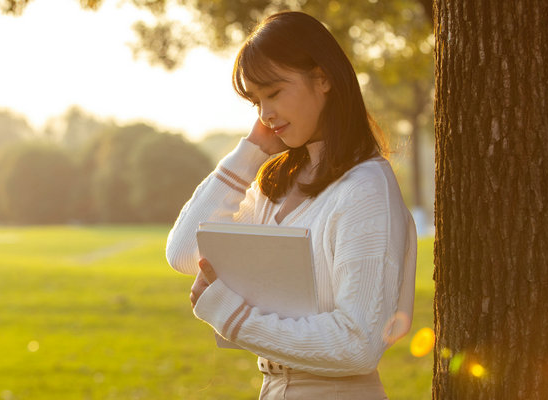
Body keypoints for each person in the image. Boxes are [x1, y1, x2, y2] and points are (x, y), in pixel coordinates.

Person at [166, 11, 417, 400]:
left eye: (274, 92)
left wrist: (235, 318)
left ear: (323, 78)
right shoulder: (275, 186)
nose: (265, 114)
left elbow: (359, 344)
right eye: (256, 101)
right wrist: (250, 153)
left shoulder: (365, 188)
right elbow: (184, 253)